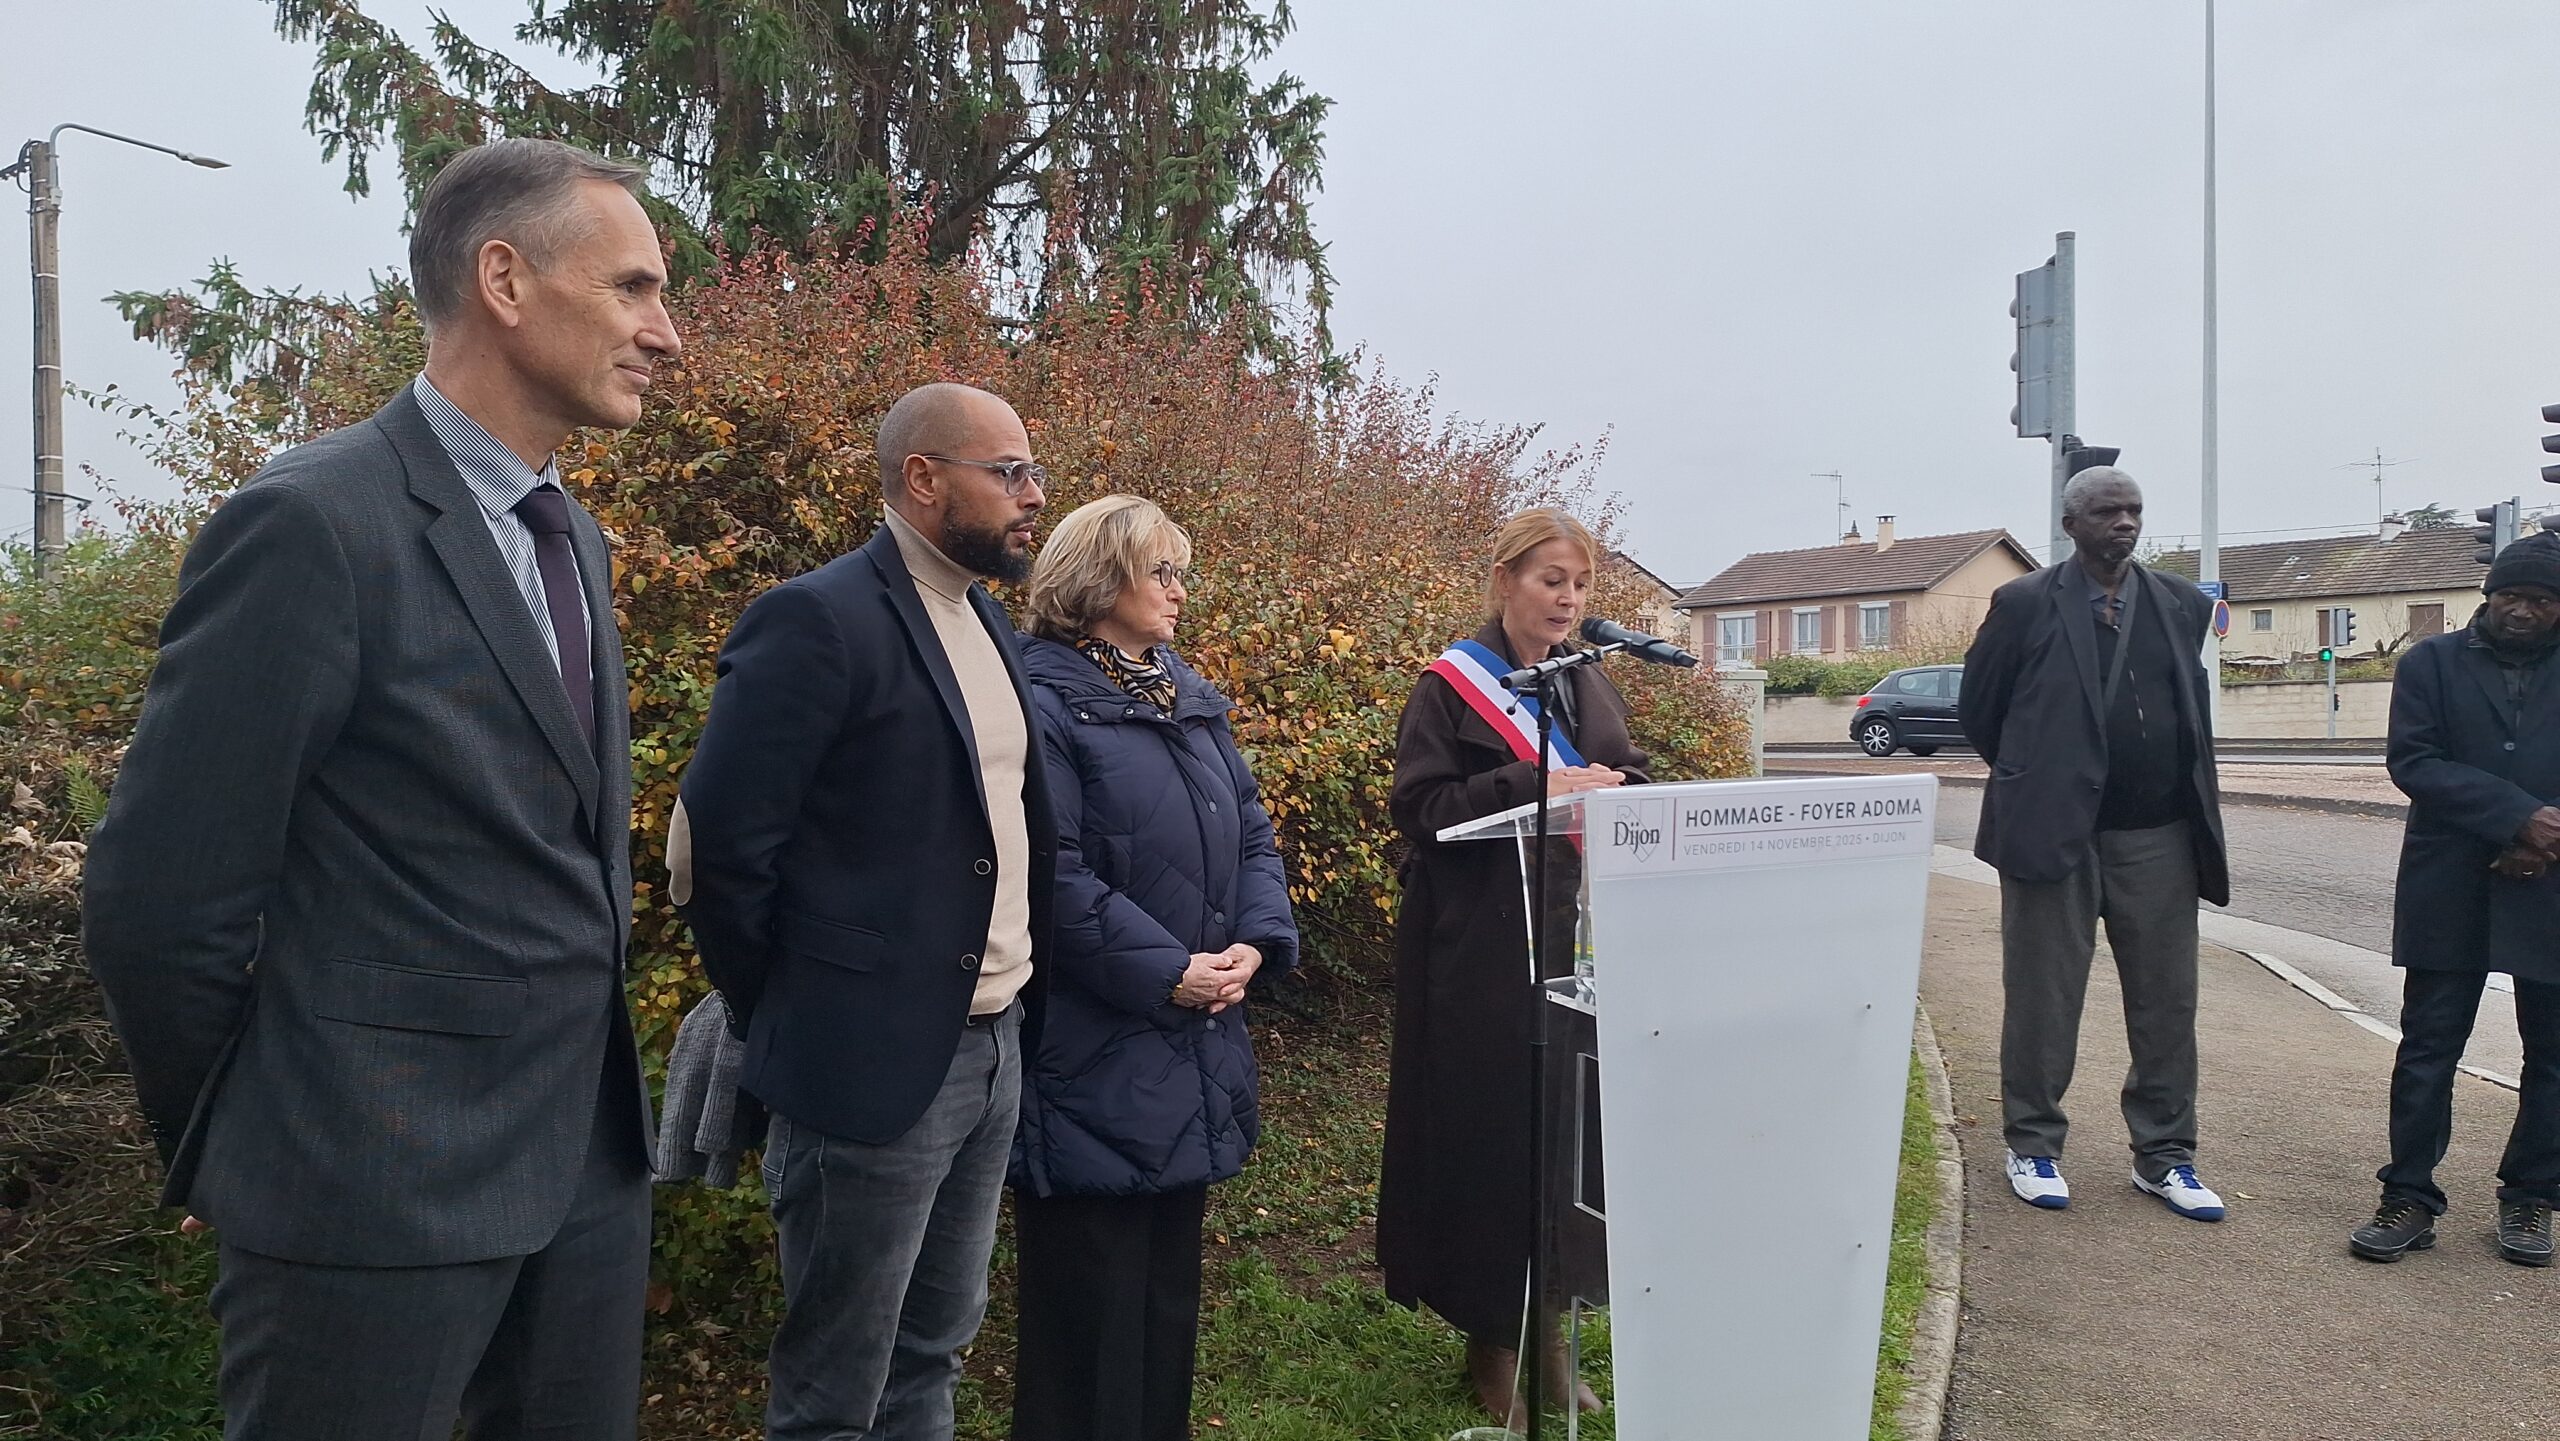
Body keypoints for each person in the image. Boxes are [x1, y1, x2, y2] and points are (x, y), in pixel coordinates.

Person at [80, 138, 676, 1438]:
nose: (664, 332)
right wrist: (243, 1138)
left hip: (583, 1187)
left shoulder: (572, 535)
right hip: (360, 1194)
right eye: (631, 287)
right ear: (505, 279)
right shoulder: (314, 522)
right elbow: (159, 898)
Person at [676, 382, 1054, 1441]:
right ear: (923, 478)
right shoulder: (818, 617)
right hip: (868, 1065)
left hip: (994, 1049)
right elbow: (723, 851)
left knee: (932, 1350)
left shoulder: (985, 621)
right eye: (1008, 470)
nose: (1033, 496)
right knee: (834, 1388)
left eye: (1034, 472)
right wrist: (794, 1006)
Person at [1006, 494, 1300, 1441]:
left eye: (1181, 571)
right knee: (1086, 1320)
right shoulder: (1040, 698)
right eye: (1161, 572)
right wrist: (1167, 968)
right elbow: (1049, 872)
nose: (1179, 591)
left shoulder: (1183, 690)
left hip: (1193, 1037)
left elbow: (1252, 830)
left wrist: (1257, 940)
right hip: (1092, 1046)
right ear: (1100, 580)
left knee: (1165, 1307)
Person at [1380, 506, 1646, 1422]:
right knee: (1497, 1145)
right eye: (1549, 580)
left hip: (1577, 939)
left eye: (1579, 583)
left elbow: (1622, 770)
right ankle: (1493, 1343)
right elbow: (1421, 807)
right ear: (1504, 583)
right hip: (1481, 952)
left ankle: (1556, 1334)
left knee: (1570, 1143)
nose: (1568, 599)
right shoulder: (1452, 686)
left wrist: (1622, 789)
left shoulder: (1587, 683)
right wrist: (1535, 786)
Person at [1958, 465, 2231, 1222]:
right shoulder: (2022, 603)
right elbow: (1982, 710)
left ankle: (2165, 1155)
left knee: (2168, 1003)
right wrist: (2039, 778)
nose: (2125, 522)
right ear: (2072, 523)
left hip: (2160, 836)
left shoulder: (2179, 603)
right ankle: (2034, 1143)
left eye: (2134, 510)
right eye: (2108, 510)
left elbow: (2188, 707)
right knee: (2044, 998)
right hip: (2055, 837)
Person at [2348, 533, 2560, 1267]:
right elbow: (2415, 759)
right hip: (2451, 880)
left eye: (2541, 600)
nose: (2525, 612)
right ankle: (2408, 1193)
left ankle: (2531, 1196)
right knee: (2430, 1047)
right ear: (2488, 596)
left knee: (2554, 1053)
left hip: (2553, 878)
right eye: (2512, 597)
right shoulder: (2429, 664)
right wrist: (2515, 816)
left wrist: (2544, 836)